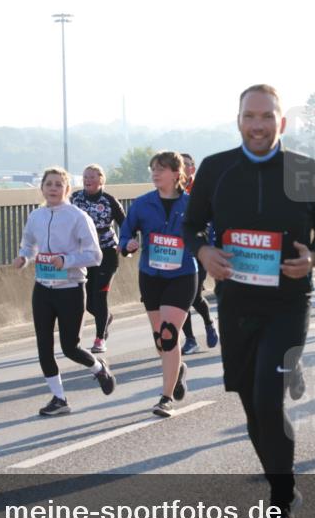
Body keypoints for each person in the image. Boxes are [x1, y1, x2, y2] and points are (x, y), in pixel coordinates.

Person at [183, 84, 315, 518]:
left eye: (267, 116)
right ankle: (283, 487)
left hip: (289, 302)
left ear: (281, 123)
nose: (258, 125)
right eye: (250, 116)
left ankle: (280, 500)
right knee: (253, 406)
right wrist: (202, 250)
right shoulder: (215, 169)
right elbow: (192, 224)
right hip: (236, 303)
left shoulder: (306, 170)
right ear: (238, 121)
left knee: (269, 401)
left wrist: (314, 258)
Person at [13, 167, 115, 416]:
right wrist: (24, 258)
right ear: (42, 188)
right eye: (49, 184)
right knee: (44, 347)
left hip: (70, 288)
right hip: (43, 288)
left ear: (67, 189)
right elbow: (29, 244)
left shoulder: (78, 217)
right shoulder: (35, 216)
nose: (53, 189)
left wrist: (66, 260)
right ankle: (59, 399)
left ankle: (97, 368)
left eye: (59, 184)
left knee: (70, 347)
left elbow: (95, 255)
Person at [119, 151, 198, 416]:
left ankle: (165, 398)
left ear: (177, 174)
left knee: (168, 334)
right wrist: (127, 246)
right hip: (151, 276)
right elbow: (126, 231)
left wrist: (202, 244)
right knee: (160, 339)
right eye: (152, 168)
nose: (155, 173)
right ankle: (178, 368)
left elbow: (208, 231)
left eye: (161, 169)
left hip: (183, 275)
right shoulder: (142, 204)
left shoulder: (192, 204)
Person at [70, 164, 126, 354]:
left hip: (106, 253)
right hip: (83, 254)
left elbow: (125, 225)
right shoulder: (74, 198)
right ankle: (106, 318)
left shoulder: (109, 200)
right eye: (86, 177)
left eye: (93, 177)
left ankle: (100, 338)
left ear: (101, 180)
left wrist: (126, 244)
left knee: (100, 296)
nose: (88, 180)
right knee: (88, 302)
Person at [178, 152, 219, 355]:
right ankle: (191, 339)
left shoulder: (203, 190)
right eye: (179, 164)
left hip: (200, 249)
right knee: (181, 299)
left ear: (192, 168)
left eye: (186, 164)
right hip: (176, 252)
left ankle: (209, 322)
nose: (182, 167)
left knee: (194, 297)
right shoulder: (169, 191)